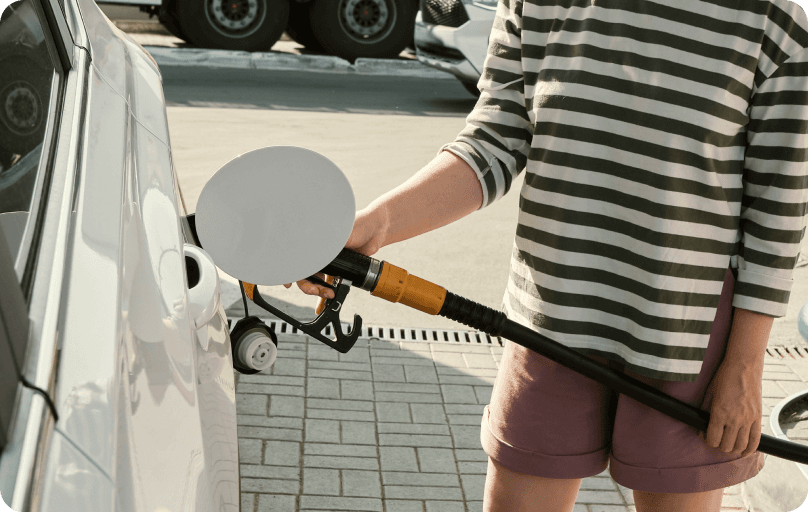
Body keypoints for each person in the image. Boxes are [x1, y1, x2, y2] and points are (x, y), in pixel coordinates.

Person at [286, 0, 808, 510]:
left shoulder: (772, 19)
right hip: (550, 320)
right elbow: (493, 140)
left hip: (685, 335)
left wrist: (744, 365)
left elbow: (777, 212)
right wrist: (375, 224)